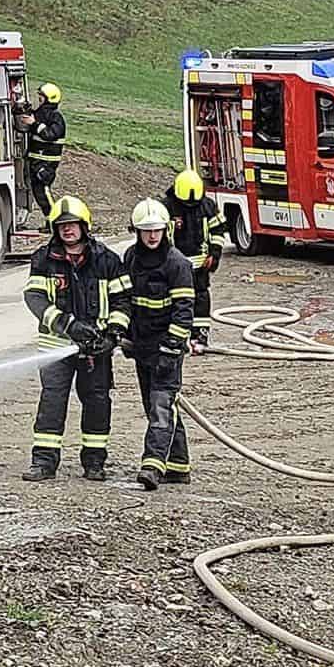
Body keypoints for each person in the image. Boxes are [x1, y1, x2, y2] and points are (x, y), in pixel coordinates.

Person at [22, 196, 128, 482]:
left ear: (84, 226)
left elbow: (123, 302)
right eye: (61, 226)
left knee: (97, 402)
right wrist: (66, 324)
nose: (67, 230)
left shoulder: (107, 260)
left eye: (72, 225)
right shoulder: (44, 259)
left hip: (96, 349)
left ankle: (94, 462)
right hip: (58, 347)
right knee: (52, 402)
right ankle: (44, 462)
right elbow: (35, 297)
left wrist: (114, 334)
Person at [119, 199, 196, 490]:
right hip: (142, 348)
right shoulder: (130, 258)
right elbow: (126, 300)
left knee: (162, 407)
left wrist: (173, 346)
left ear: (167, 231)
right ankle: (179, 466)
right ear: (136, 231)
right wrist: (125, 334)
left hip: (167, 350)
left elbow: (184, 309)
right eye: (146, 231)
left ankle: (152, 465)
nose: (152, 236)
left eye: (157, 230)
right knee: (155, 408)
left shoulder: (176, 263)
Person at [162, 168, 228, 353]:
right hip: (174, 267)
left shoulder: (207, 206)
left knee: (200, 299)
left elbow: (218, 230)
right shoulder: (167, 207)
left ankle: (200, 336)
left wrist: (214, 254)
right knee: (175, 299)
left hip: (200, 266)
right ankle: (176, 336)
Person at [20, 82, 67, 224]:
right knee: (38, 192)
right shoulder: (39, 113)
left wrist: (34, 124)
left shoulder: (56, 117)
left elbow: (50, 134)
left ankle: (54, 221)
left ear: (49, 98)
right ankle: (50, 221)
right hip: (35, 161)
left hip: (47, 163)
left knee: (43, 192)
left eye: (41, 96)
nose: (39, 99)